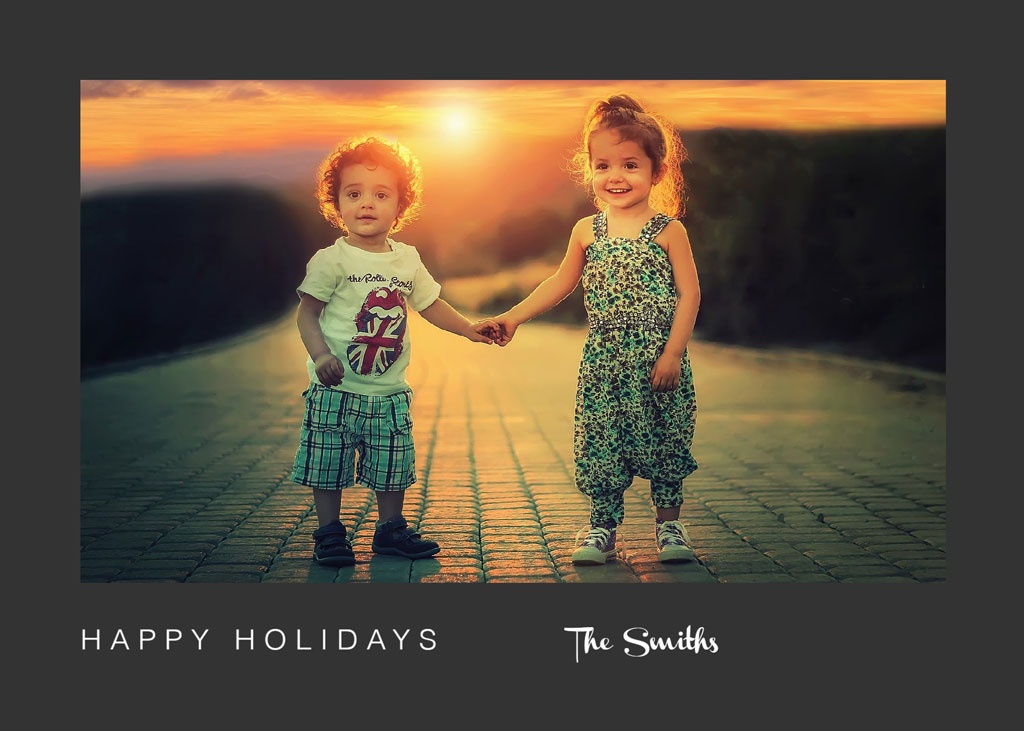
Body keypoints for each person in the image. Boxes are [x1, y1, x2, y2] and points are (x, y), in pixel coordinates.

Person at [486, 95, 700, 565]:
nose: (615, 176)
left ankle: (670, 529)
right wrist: (513, 317)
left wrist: (671, 354)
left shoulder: (669, 230)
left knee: (666, 441)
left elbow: (690, 295)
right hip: (604, 361)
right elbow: (560, 282)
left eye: (630, 165)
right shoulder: (587, 230)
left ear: (657, 172)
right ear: (590, 171)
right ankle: (602, 529)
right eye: (603, 165)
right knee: (600, 443)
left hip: (657, 360)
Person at [292, 135, 495, 566]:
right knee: (327, 463)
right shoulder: (332, 260)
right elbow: (306, 314)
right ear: (337, 204)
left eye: (381, 195)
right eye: (354, 194)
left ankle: (390, 531)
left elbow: (431, 305)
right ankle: (329, 534)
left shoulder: (407, 260)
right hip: (335, 389)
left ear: (401, 206)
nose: (367, 204)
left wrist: (469, 329)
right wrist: (322, 355)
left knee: (393, 463)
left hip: (388, 391)